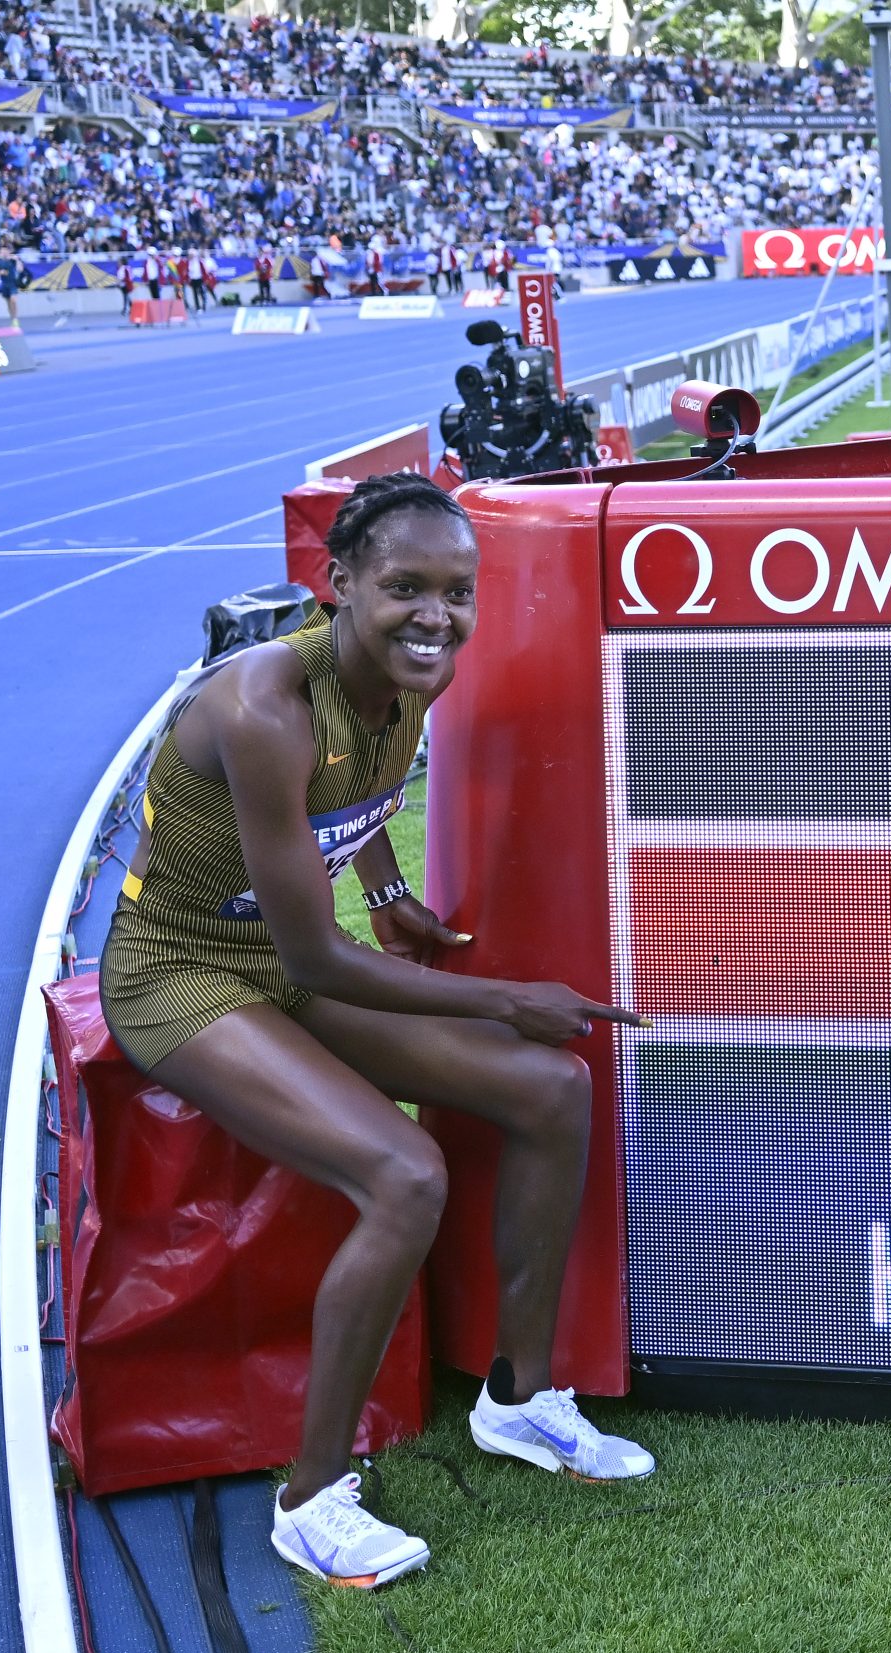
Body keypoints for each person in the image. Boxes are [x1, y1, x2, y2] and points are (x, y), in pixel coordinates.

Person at [97, 474, 656, 1591]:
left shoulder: (416, 674)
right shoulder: (264, 704)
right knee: (406, 1171)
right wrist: (507, 996)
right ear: (338, 583)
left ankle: (520, 1394)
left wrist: (390, 882)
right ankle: (310, 1501)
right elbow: (312, 958)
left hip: (277, 963)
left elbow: (358, 804)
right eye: (405, 587)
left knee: (553, 1090)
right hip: (181, 971)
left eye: (458, 590)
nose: (435, 615)